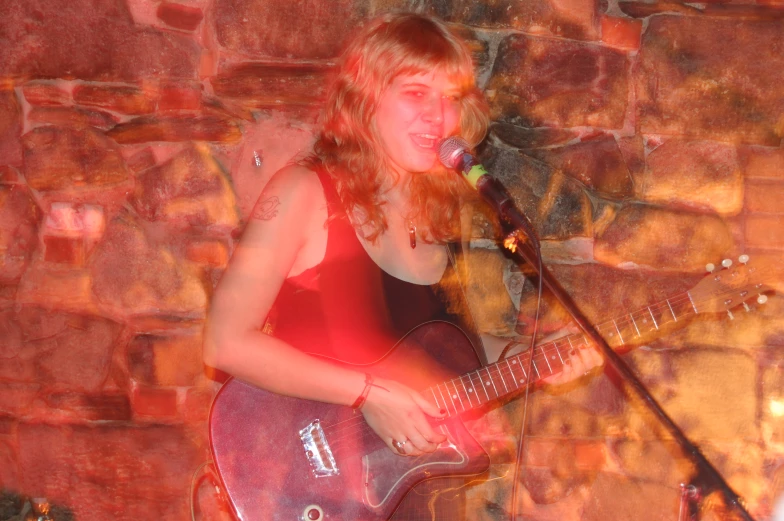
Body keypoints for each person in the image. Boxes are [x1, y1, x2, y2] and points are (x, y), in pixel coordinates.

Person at [203, 12, 602, 519]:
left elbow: (444, 350)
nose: (439, 117)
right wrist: (366, 393)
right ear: (364, 99)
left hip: (414, 494)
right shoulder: (303, 193)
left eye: (451, 98)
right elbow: (225, 340)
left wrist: (533, 356)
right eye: (416, 93)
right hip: (309, 479)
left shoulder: (442, 211)